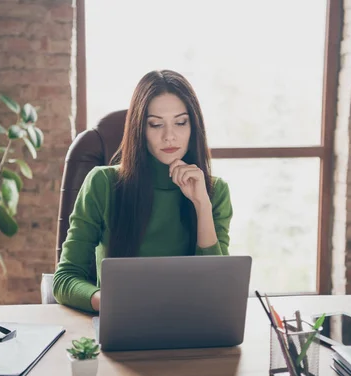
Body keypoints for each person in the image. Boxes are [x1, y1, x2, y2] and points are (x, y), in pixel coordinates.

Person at [53, 70, 233, 312]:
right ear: (140, 129)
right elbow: (65, 279)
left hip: (191, 327)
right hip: (121, 323)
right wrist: (105, 300)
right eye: (156, 124)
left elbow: (217, 289)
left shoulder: (214, 191)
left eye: (180, 122)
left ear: (194, 126)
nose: (169, 136)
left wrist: (202, 205)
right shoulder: (102, 183)